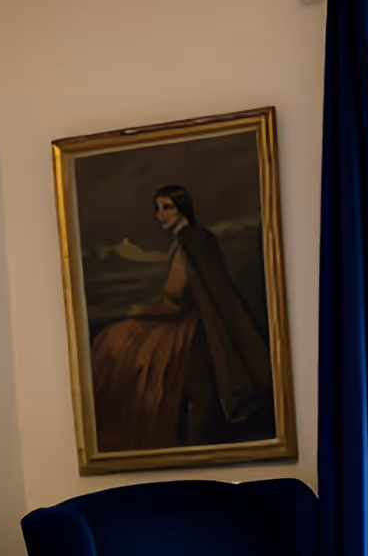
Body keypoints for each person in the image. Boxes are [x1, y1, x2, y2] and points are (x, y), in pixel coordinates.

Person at [89, 183, 273, 452]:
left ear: (182, 209)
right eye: (157, 208)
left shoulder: (190, 242)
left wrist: (144, 311)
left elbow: (177, 298)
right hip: (187, 315)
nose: (159, 214)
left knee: (116, 343)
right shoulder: (194, 240)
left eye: (167, 207)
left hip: (185, 323)